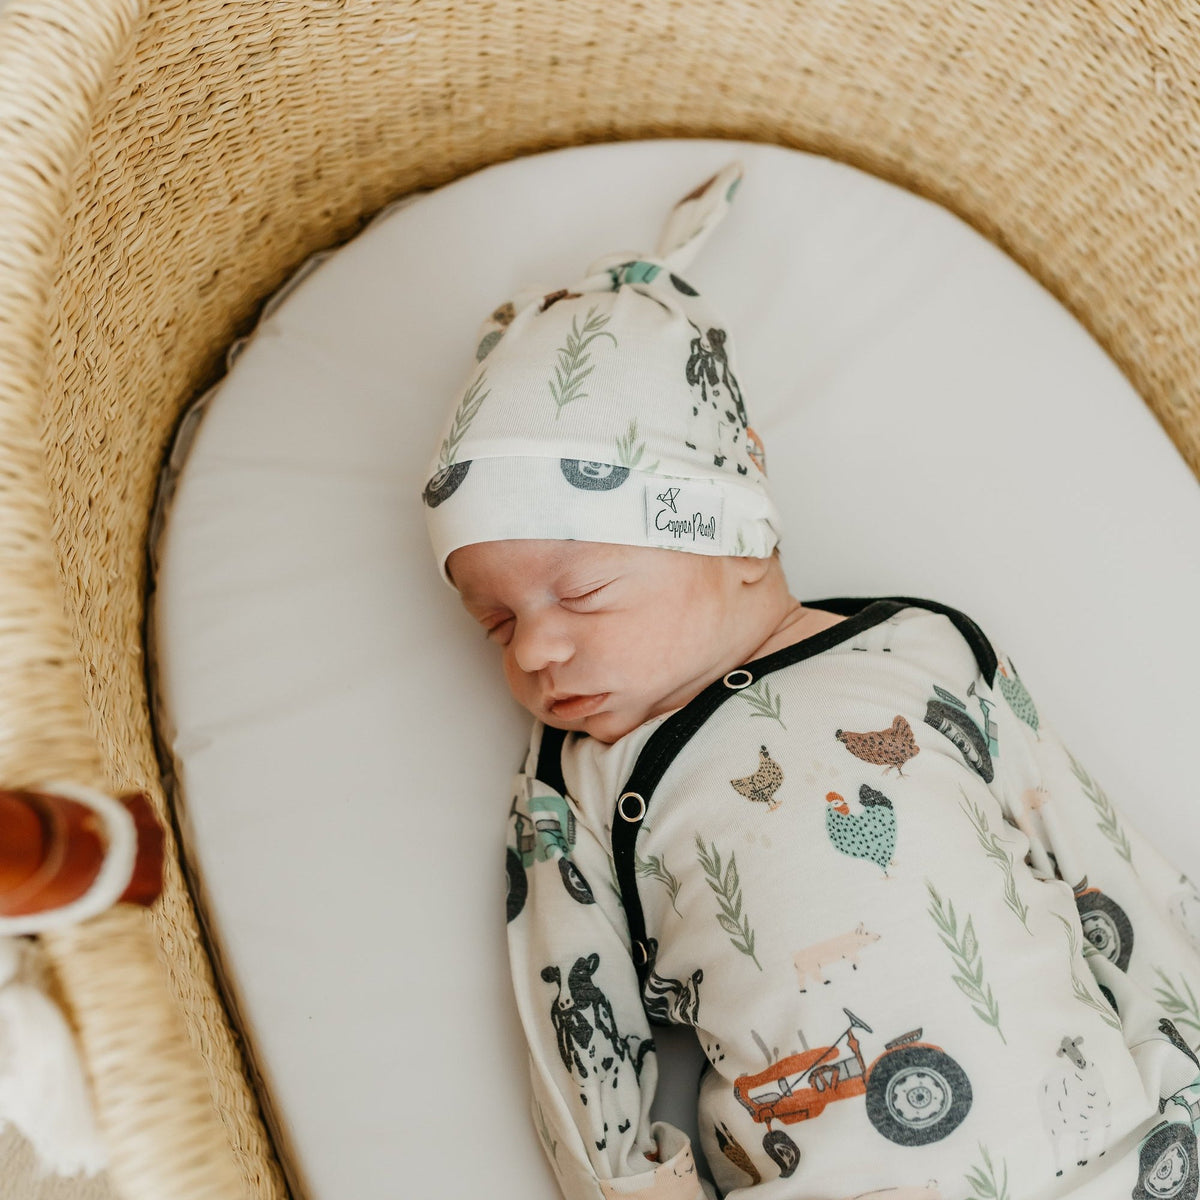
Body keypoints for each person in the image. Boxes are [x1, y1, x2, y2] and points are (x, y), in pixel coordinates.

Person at [421, 161, 1200, 1199]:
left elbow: (1102, 869)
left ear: (736, 533)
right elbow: (579, 1038)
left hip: (1127, 1156)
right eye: (494, 623)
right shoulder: (587, 781)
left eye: (584, 591)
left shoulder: (924, 650)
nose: (532, 652)